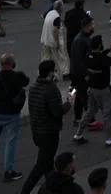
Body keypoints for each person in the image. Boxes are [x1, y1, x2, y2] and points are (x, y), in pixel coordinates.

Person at [20, 59, 71, 194]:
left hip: (37, 130)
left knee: (48, 164)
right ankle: (25, 191)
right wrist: (69, 103)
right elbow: (57, 112)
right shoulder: (50, 89)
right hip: (49, 132)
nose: (55, 73)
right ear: (49, 73)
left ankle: (54, 188)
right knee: (41, 166)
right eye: (54, 71)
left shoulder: (34, 87)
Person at [0, 53, 29, 182]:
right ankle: (9, 171)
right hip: (11, 113)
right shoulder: (17, 76)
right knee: (10, 142)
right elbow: (26, 81)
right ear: (12, 64)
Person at [72, 33, 111, 147]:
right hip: (103, 90)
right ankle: (109, 139)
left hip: (91, 89)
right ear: (100, 45)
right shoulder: (103, 59)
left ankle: (78, 134)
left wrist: (109, 49)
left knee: (90, 112)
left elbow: (98, 56)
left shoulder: (88, 56)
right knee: (108, 114)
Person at [68, 16, 95, 125]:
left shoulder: (80, 38)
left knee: (79, 95)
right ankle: (89, 119)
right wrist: (86, 74)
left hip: (76, 73)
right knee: (85, 96)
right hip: (81, 74)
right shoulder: (82, 40)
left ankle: (78, 117)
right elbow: (81, 59)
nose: (94, 26)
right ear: (87, 26)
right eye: (93, 24)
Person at [41, 0, 65, 66]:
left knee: (45, 59)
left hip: (45, 41)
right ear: (60, 8)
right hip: (52, 42)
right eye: (62, 7)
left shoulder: (49, 13)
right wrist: (57, 43)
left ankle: (43, 73)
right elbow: (55, 30)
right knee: (59, 60)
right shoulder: (57, 17)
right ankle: (62, 74)